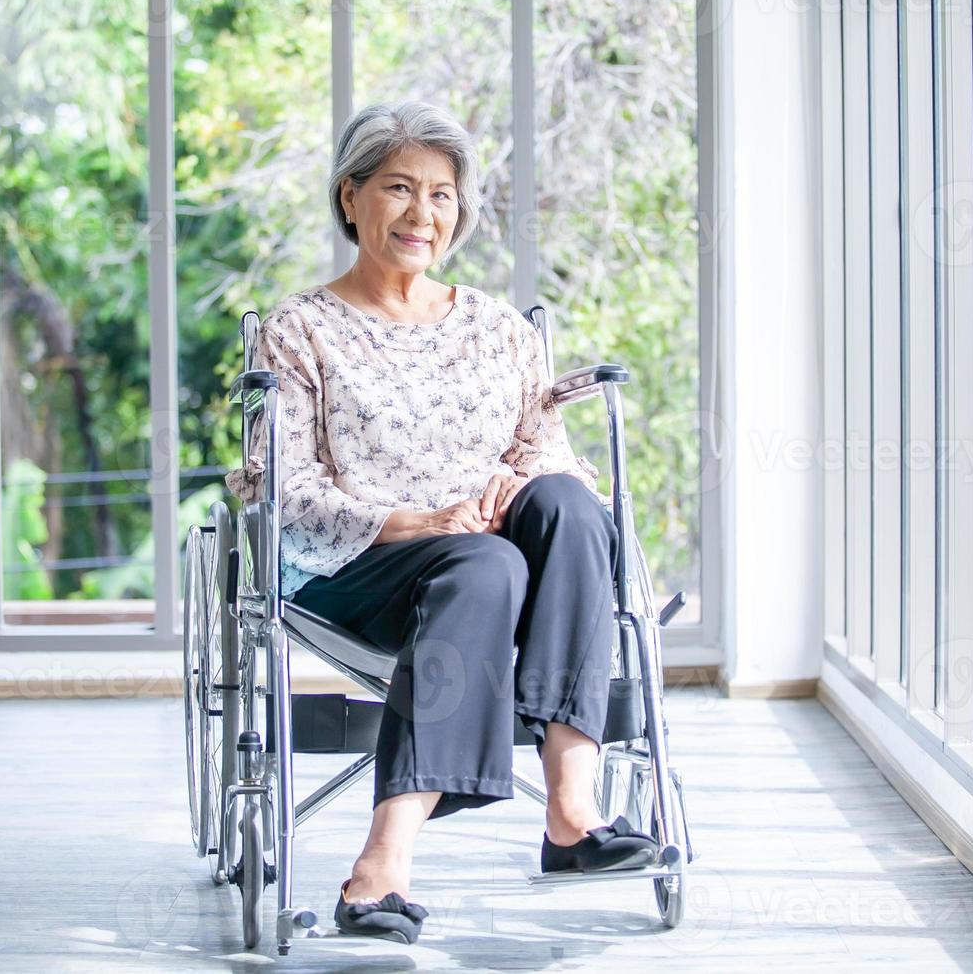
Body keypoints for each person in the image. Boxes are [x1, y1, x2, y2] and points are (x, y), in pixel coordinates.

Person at [227, 100, 657, 945]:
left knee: (573, 505)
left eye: (443, 196)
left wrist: (507, 485)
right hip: (357, 565)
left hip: (487, 555)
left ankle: (572, 809)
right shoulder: (299, 331)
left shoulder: (499, 329)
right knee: (482, 566)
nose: (424, 214)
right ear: (350, 198)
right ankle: (382, 863)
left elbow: (546, 452)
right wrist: (423, 519)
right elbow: (284, 489)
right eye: (398, 189)